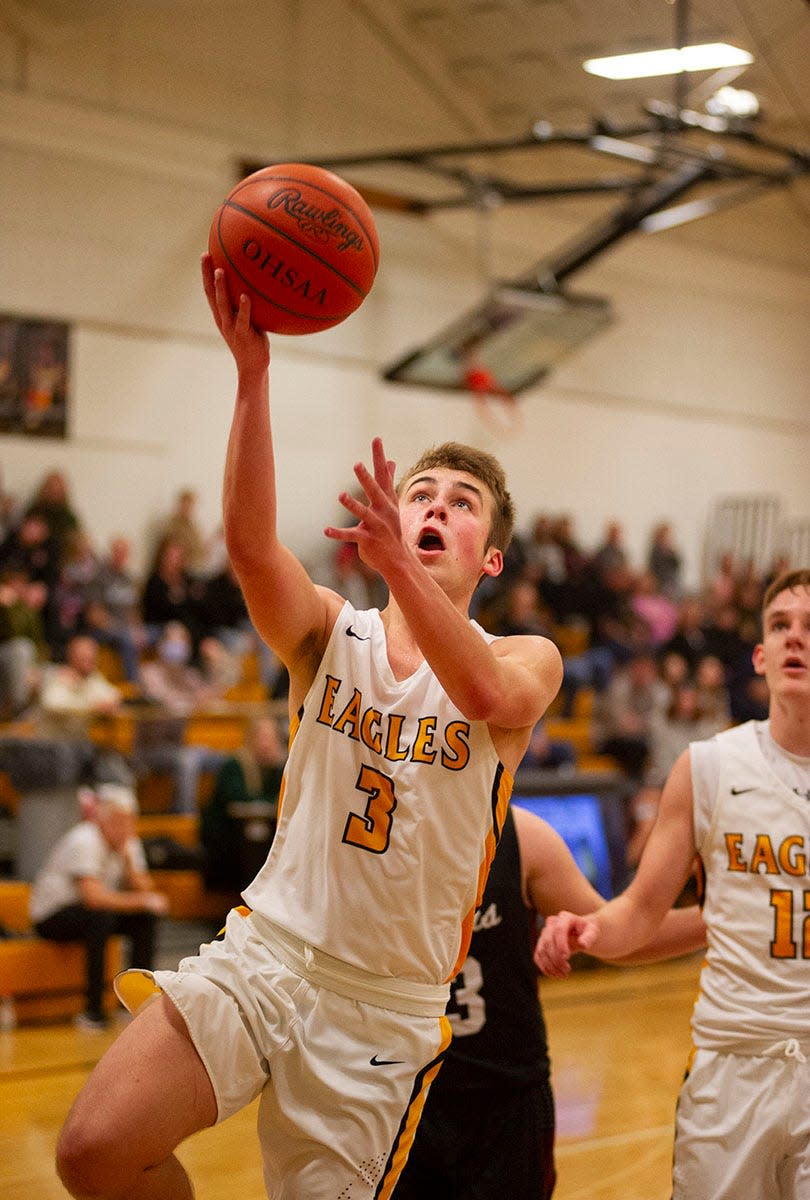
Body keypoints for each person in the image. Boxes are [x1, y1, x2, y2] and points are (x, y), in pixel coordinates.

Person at [55, 256, 564, 1200]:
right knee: (94, 1150)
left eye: (462, 504)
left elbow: (489, 698)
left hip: (384, 1005)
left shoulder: (528, 655)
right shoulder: (333, 630)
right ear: (390, 513)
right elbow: (250, 550)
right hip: (270, 949)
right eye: (423, 494)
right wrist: (253, 379)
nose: (437, 508)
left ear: (489, 555)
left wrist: (400, 571)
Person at [535, 568, 810, 1200]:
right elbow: (640, 909)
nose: (795, 638)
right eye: (780, 625)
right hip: (733, 1065)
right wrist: (590, 928)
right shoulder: (710, 767)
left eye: (808, 626)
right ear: (761, 657)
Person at [395, 801, 707, 1200]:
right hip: (400, 1098)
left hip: (506, 1099)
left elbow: (620, 939)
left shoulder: (522, 836)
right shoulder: (369, 840)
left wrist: (727, 918)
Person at [30, 781, 168, 1031]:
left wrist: (129, 866)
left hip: (93, 913)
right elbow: (92, 897)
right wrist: (142, 900)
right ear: (104, 820)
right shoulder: (84, 839)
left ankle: (137, 1002)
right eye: (121, 821)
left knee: (144, 918)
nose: (127, 828)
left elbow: (146, 890)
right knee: (100, 917)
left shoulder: (129, 843)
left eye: (130, 821)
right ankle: (93, 1011)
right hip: (52, 915)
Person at [200, 715, 286, 893]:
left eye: (271, 739)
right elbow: (235, 800)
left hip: (257, 839)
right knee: (254, 840)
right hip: (225, 844)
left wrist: (279, 766)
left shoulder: (277, 767)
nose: (266, 744)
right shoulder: (235, 765)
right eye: (262, 738)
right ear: (251, 739)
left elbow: (280, 799)